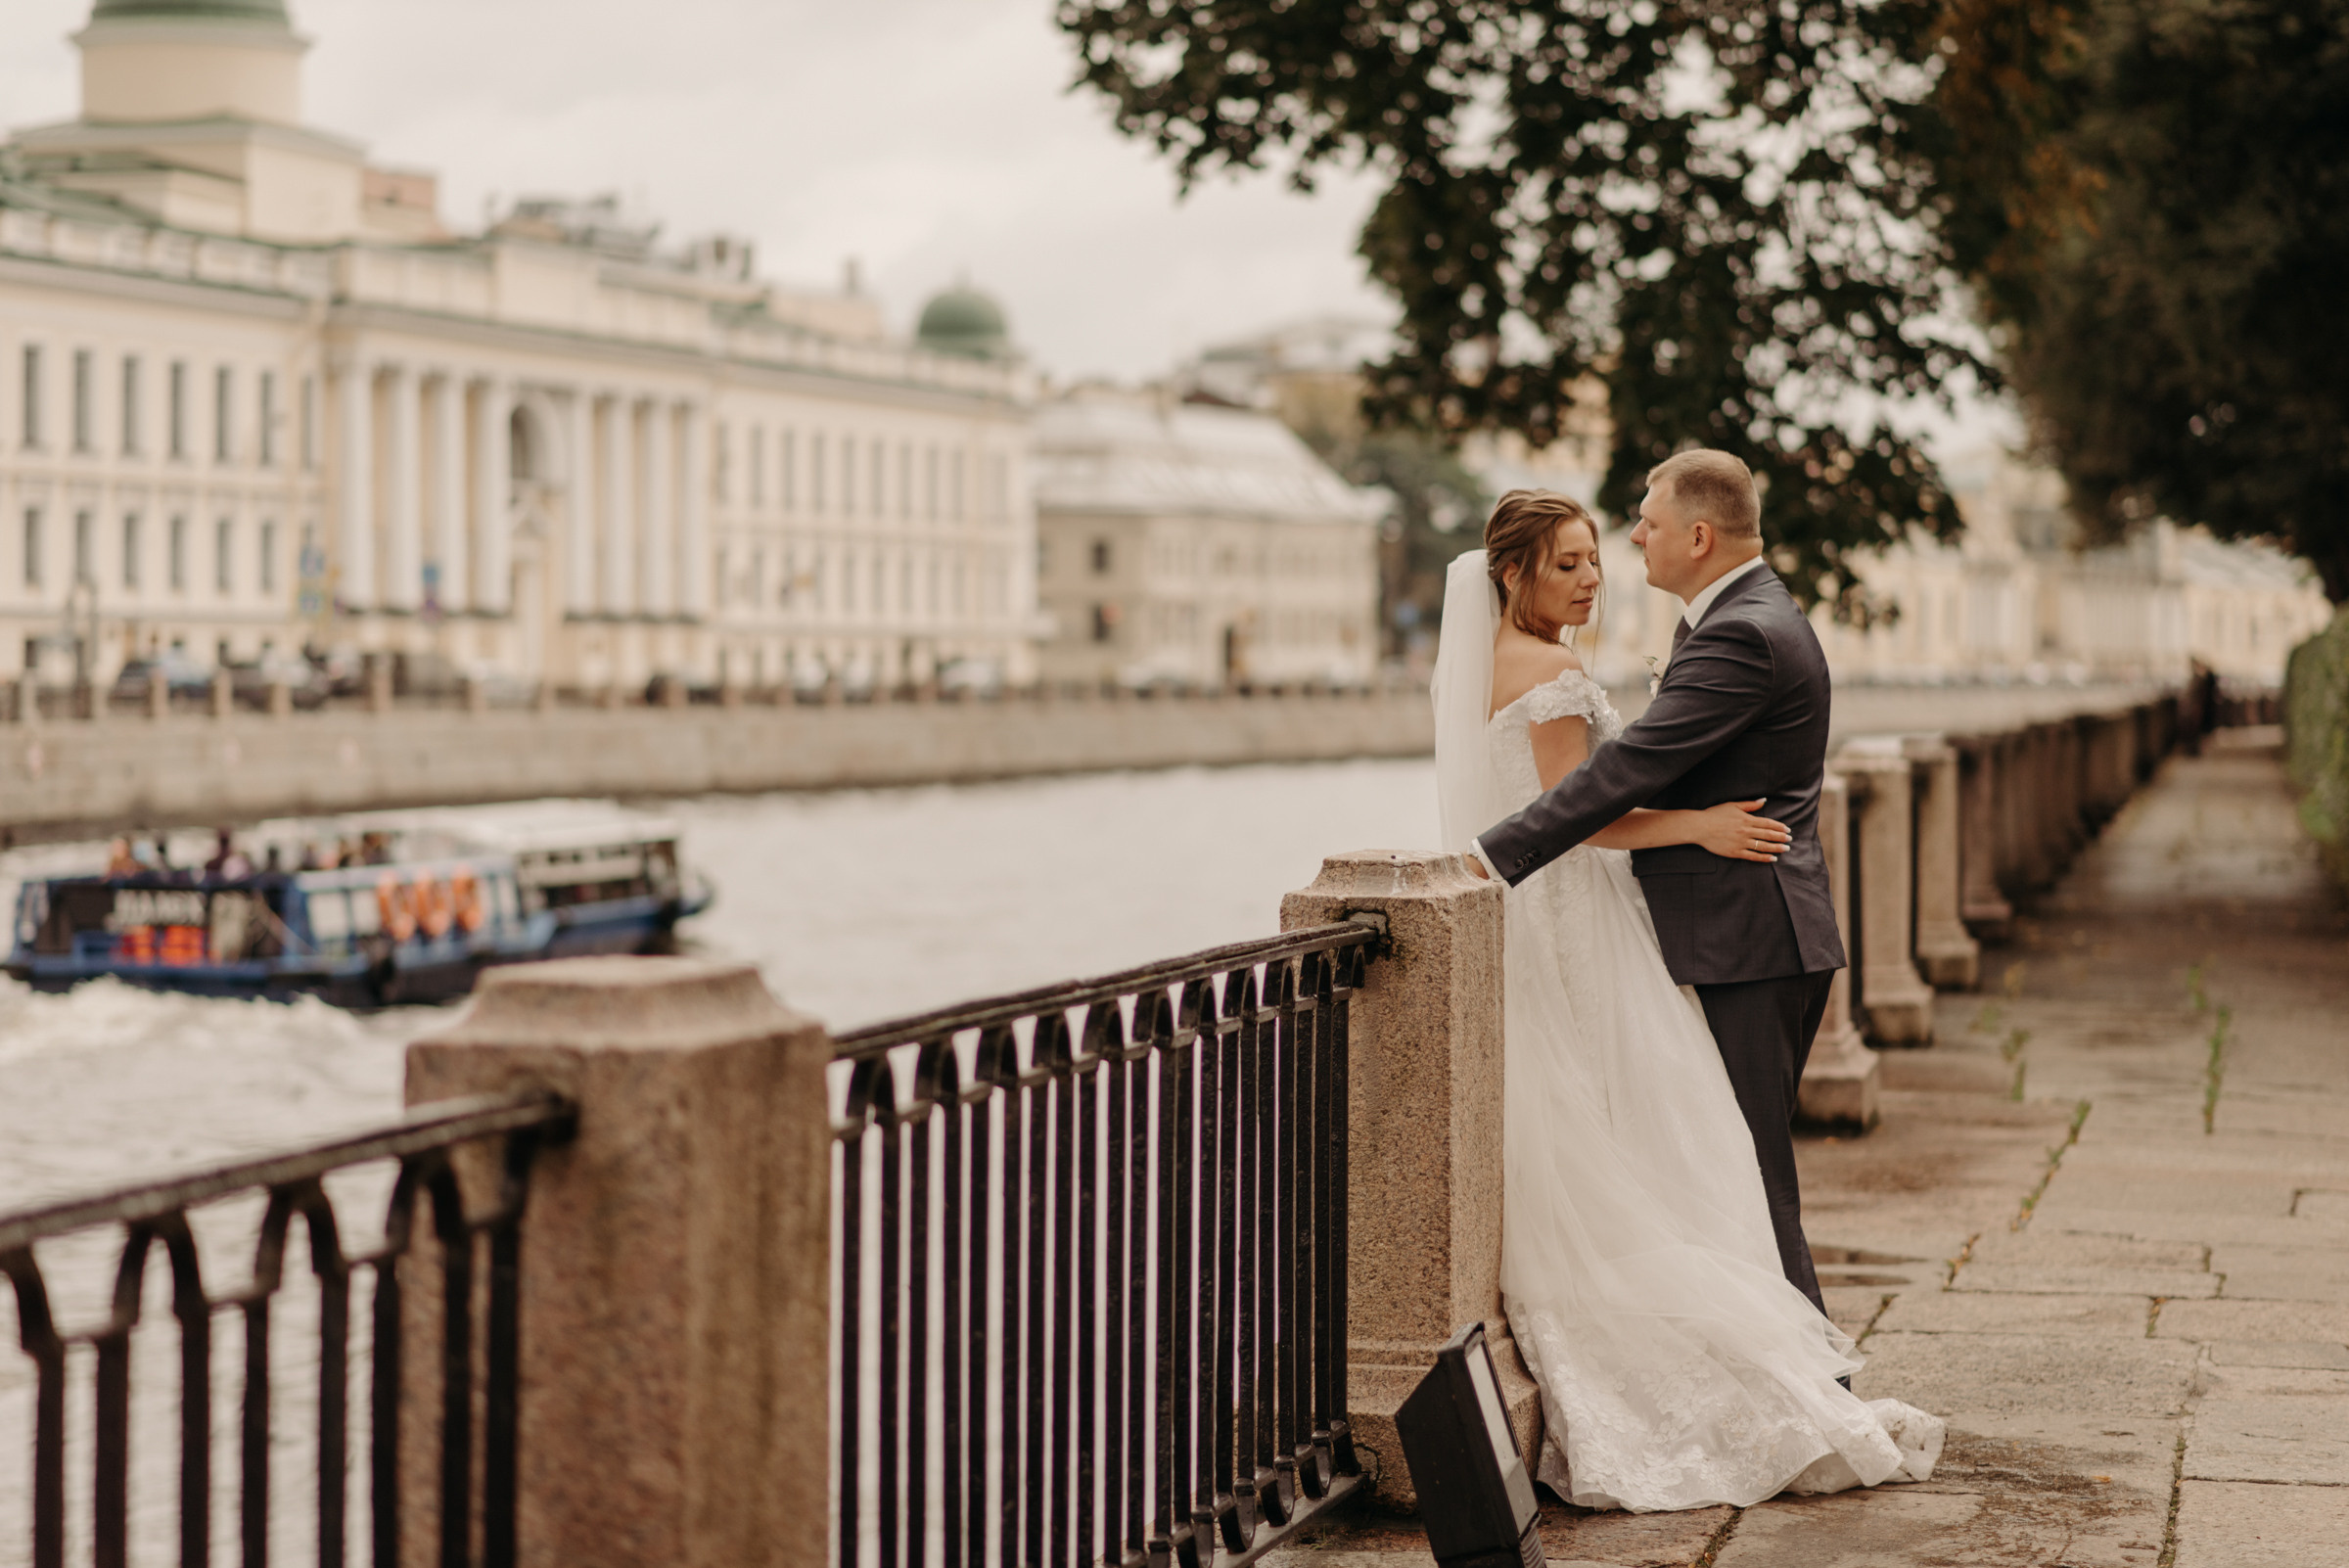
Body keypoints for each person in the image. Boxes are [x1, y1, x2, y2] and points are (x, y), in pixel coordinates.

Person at [1437, 477, 1940, 1511]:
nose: (1616, 555)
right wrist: (1681, 827)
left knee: (1734, 1161)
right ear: (1513, 574)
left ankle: (1810, 1383)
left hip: (1740, 934)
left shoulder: (1742, 631)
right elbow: (1606, 791)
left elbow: (1620, 781)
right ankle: (1807, 1383)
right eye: (1572, 559)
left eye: (1634, 534)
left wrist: (1484, 860)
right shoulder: (1730, 624)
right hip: (1663, 923)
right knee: (1713, 1155)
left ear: (1697, 535)